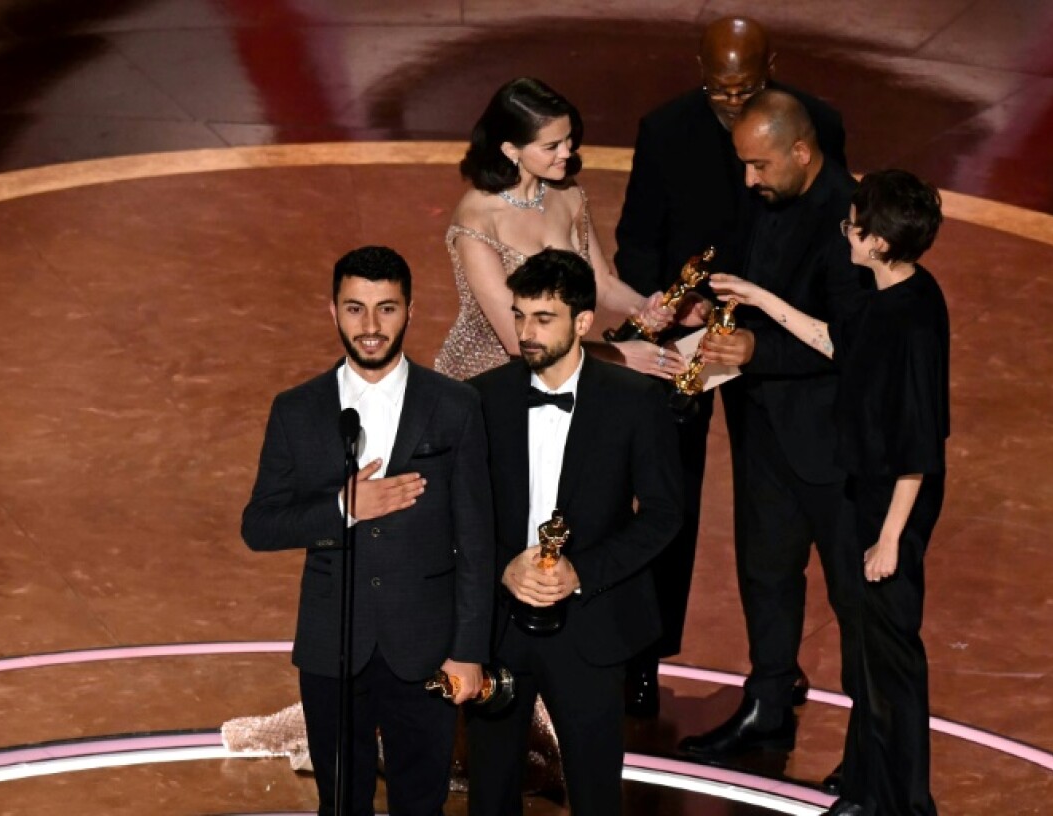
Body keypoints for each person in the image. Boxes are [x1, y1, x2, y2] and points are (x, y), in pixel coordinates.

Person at [612, 15, 848, 717]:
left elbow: (825, 242)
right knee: (665, 497)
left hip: (767, 348)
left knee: (771, 519)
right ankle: (646, 657)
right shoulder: (665, 129)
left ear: (771, 68)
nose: (728, 102)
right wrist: (664, 305)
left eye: (742, 89)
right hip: (684, 338)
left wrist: (769, 325)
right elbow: (636, 237)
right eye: (717, 90)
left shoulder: (815, 123)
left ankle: (773, 677)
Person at [709, 169, 950, 816]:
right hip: (866, 493)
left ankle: (902, 802)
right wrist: (760, 296)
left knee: (892, 664)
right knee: (873, 659)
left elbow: (920, 448)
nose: (844, 232)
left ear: (876, 243)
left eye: (852, 227)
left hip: (887, 507)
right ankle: (869, 790)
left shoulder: (916, 324)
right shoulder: (887, 291)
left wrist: (890, 540)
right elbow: (836, 340)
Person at [241, 245, 495, 816]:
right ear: (332, 311)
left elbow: (478, 539)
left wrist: (468, 650)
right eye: (355, 309)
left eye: (386, 308)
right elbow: (259, 525)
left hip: (427, 649)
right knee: (341, 805)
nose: (371, 326)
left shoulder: (454, 405)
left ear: (410, 310)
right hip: (333, 646)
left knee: (420, 804)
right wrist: (343, 506)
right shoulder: (296, 410)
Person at [676, 90, 870, 763]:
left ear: (801, 150)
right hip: (763, 432)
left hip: (838, 448)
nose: (750, 179)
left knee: (856, 599)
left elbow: (851, 341)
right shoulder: (764, 200)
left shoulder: (852, 221)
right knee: (766, 573)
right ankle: (766, 707)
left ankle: (870, 751)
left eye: (760, 165)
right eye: (744, 167)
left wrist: (757, 350)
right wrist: (711, 310)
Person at [465, 249, 683, 816]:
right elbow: (459, 514)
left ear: (583, 322)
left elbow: (663, 513)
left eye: (544, 318)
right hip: (499, 627)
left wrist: (582, 571)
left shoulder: (634, 402)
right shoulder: (481, 400)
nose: (526, 332)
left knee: (594, 793)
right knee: (490, 792)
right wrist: (503, 568)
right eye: (519, 316)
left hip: (591, 630)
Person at [435, 76, 685, 383]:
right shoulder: (477, 220)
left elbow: (602, 281)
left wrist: (642, 305)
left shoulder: (568, 194)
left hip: (562, 369)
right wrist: (618, 355)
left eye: (568, 140)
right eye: (551, 146)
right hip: (492, 381)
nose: (566, 152)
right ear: (511, 150)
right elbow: (518, 341)